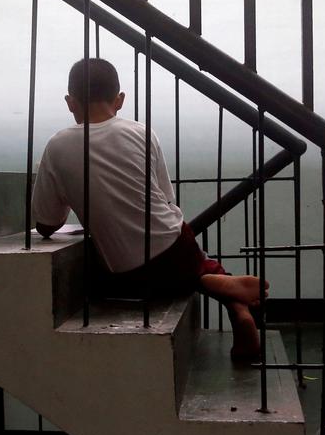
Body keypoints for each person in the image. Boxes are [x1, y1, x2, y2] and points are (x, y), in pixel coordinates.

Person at [31, 58, 268, 361]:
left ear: (69, 102)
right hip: (176, 241)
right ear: (120, 100)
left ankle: (210, 281)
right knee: (192, 260)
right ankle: (232, 302)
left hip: (129, 269)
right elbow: (167, 201)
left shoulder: (57, 146)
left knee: (119, 279)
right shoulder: (142, 133)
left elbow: (46, 225)